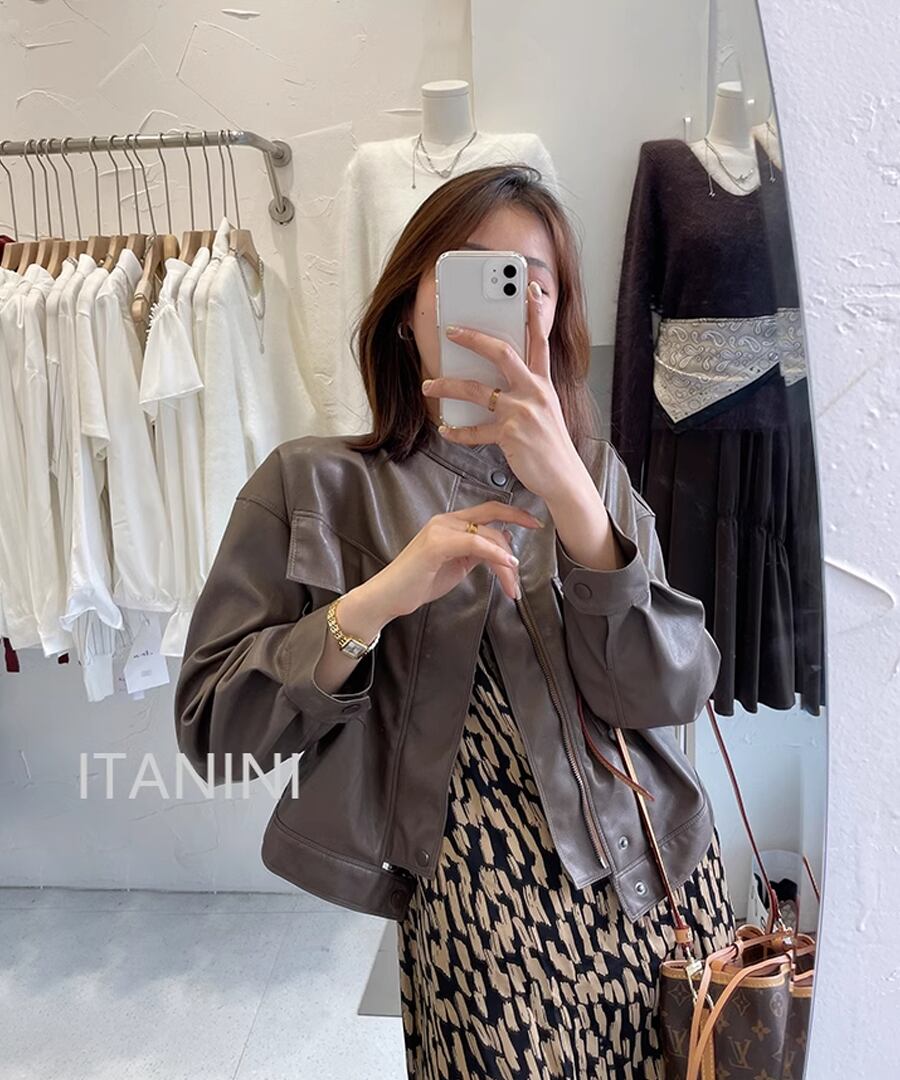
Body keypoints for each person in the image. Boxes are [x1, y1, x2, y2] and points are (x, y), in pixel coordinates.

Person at [175, 164, 735, 1079]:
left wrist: (576, 503)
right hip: (478, 920)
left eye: (532, 282)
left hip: (657, 887)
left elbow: (667, 692)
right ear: (408, 306)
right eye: (471, 272)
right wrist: (377, 600)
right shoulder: (314, 484)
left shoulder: (594, 475)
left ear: (556, 317)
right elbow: (214, 729)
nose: (506, 302)